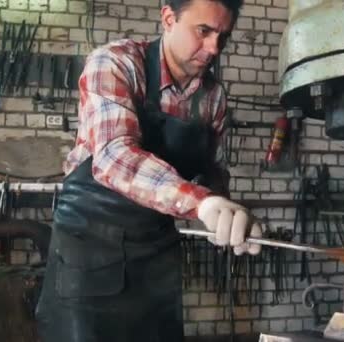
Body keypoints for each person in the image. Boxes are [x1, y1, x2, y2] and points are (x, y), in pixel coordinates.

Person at [35, 0, 262, 341]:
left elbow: (209, 172)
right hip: (90, 252)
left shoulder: (214, 98)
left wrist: (228, 213)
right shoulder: (116, 63)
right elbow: (114, 156)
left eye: (223, 37)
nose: (214, 48)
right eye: (204, 31)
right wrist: (201, 203)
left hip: (156, 257)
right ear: (169, 18)